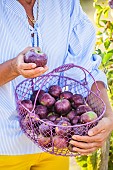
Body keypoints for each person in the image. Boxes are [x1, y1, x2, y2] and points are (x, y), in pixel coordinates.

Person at [0, 0, 113, 169]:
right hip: (4, 146)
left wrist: (107, 117)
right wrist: (13, 68)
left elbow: (87, 69)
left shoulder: (66, 4)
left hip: (55, 141)